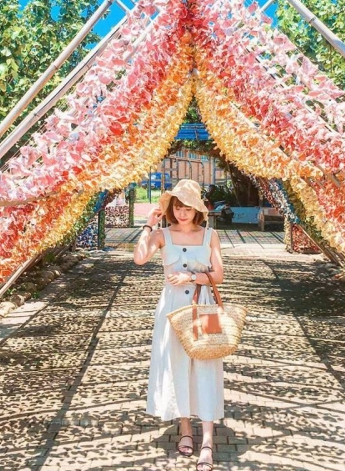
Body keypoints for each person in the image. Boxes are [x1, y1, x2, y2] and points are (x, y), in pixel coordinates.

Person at [134, 179, 224, 471]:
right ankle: (186, 430)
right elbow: (139, 259)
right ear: (171, 208)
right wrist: (148, 225)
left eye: (187, 207)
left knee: (207, 366)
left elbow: (218, 275)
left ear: (197, 209)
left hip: (204, 308)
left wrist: (191, 277)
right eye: (177, 207)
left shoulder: (210, 235)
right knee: (177, 367)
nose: (182, 213)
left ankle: (207, 440)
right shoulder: (162, 235)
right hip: (172, 309)